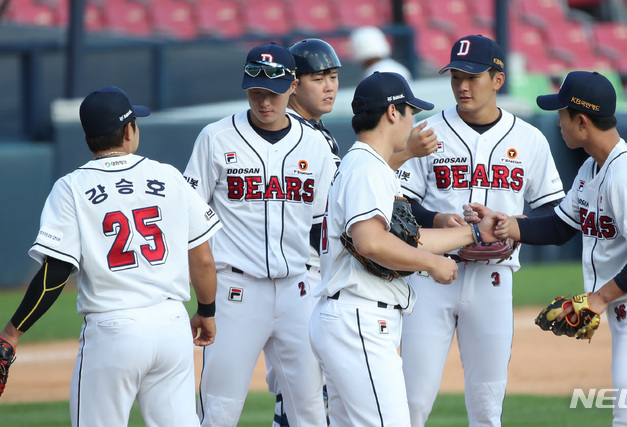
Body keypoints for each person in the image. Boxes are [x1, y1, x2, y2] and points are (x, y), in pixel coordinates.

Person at [465, 70, 627, 426]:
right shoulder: (591, 168)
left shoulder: (625, 175)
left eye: (562, 114)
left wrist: (598, 298)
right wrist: (505, 225)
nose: (558, 122)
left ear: (581, 121)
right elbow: (558, 226)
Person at [0, 86, 222, 426]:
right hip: (172, 326)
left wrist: (12, 333)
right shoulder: (169, 176)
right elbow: (203, 259)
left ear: (90, 138)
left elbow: (55, 274)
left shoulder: (71, 187)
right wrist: (206, 310)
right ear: (128, 130)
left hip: (114, 330)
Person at [308, 71, 502, 426]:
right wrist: (431, 264)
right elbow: (371, 242)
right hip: (359, 319)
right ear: (392, 113)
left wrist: (474, 233)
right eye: (411, 112)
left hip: (352, 317)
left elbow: (402, 240)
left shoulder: (369, 166)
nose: (414, 121)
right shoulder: (367, 168)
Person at [266, 37, 440, 427]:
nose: (329, 85)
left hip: (321, 280)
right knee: (300, 406)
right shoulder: (290, 137)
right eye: (317, 77)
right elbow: (363, 227)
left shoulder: (323, 137)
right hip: (302, 279)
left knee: (317, 407)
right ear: (294, 84)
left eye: (332, 76)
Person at [396, 34, 566, 426]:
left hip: (494, 279)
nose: (462, 85)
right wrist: (438, 219)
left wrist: (509, 227)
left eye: (473, 76)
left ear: (498, 80)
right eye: (456, 75)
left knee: (488, 409)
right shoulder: (426, 132)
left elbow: (555, 215)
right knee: (411, 403)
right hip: (431, 275)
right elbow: (400, 202)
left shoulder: (529, 139)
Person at [183, 42, 337, 426]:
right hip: (236, 291)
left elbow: (322, 226)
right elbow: (188, 217)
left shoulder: (315, 145)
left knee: (311, 413)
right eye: (255, 91)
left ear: (292, 85)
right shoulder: (216, 138)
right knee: (219, 410)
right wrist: (203, 301)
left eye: (273, 92)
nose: (264, 101)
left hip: (298, 291)